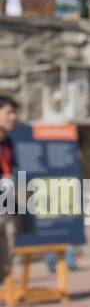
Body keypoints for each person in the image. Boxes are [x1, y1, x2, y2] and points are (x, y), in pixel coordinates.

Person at [0, 95, 18, 286]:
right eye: (8, 113)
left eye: (14, 113)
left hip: (5, 208)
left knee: (5, 267)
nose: (13, 117)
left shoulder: (8, 142)